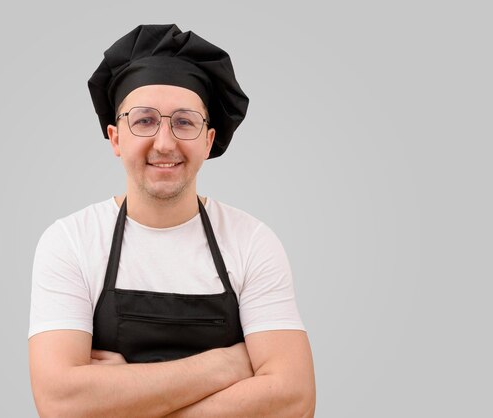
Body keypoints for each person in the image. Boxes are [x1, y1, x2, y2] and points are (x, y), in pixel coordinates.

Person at [28, 24, 316, 417]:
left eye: (184, 122)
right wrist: (226, 365)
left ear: (208, 140)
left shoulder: (252, 241)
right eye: (144, 120)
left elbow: (293, 400)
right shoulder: (71, 241)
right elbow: (61, 403)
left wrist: (120, 400)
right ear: (116, 138)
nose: (164, 143)